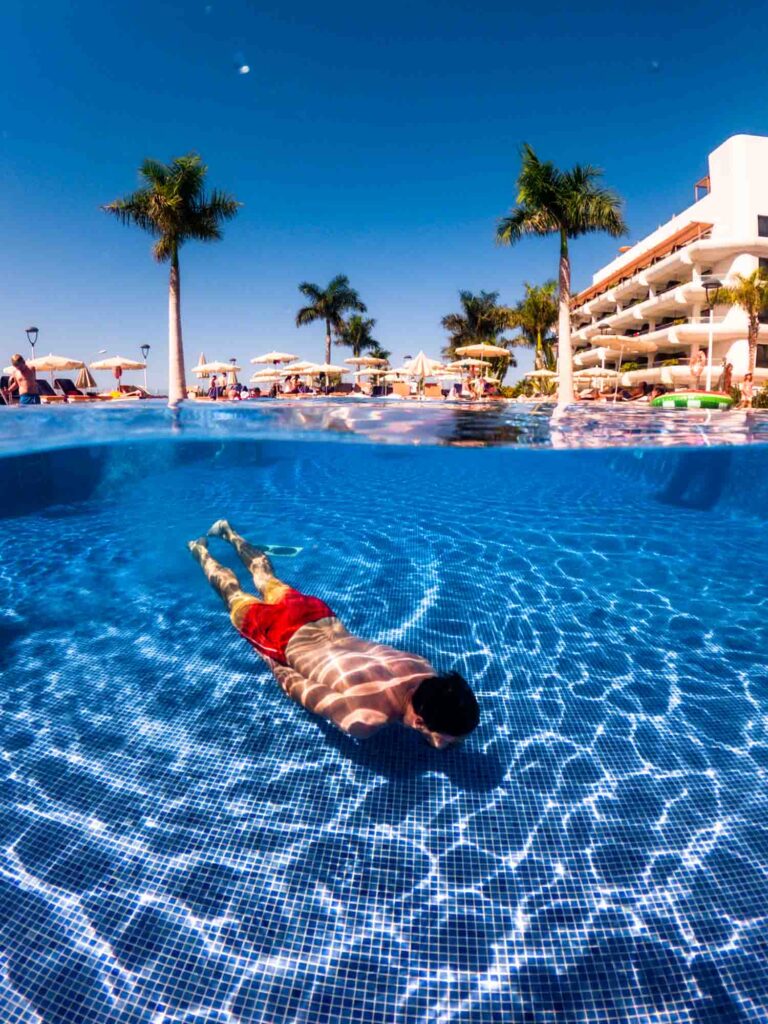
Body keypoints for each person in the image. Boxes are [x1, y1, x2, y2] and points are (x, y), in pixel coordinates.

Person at [188, 521, 480, 748]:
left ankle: (227, 531)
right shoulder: (364, 718)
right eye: (448, 740)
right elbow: (296, 686)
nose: (448, 745)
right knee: (232, 593)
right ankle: (199, 548)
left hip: (318, 615)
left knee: (267, 579)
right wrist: (267, 656)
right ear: (418, 721)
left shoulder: (422, 667)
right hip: (279, 635)